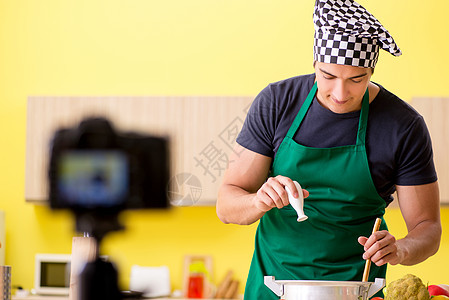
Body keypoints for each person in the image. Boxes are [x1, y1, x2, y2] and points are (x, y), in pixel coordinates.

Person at [216, 0, 442, 299]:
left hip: (356, 288)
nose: (340, 94)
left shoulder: (403, 125)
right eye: (328, 76)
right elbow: (227, 205)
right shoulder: (276, 102)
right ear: (315, 64)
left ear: (371, 70)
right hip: (274, 286)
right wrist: (259, 200)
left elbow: (428, 228)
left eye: (356, 79)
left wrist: (401, 248)